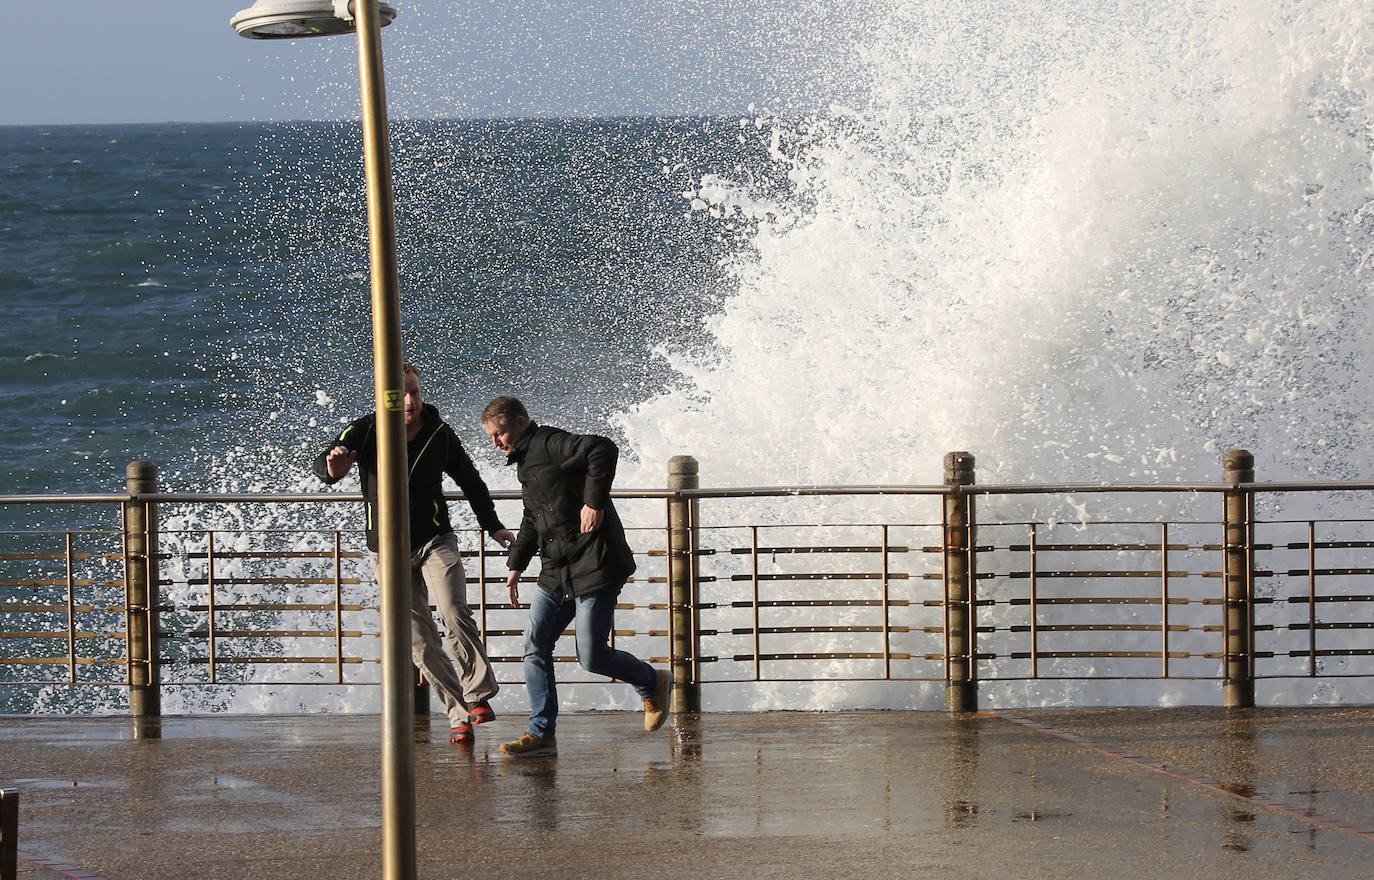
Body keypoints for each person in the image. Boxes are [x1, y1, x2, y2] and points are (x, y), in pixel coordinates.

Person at [313, 363, 514, 744]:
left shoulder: (439, 432)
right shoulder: (366, 429)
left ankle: (477, 695)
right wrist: (332, 469)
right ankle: (457, 713)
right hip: (387, 550)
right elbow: (327, 463)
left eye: (415, 392)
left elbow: (471, 481)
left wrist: (494, 526)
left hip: (436, 540)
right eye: (401, 394)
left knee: (454, 612)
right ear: (382, 397)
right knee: (420, 639)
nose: (410, 401)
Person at [480, 395, 670, 758]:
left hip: (595, 564)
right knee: (534, 644)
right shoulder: (524, 464)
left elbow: (603, 448)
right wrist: (516, 564)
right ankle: (541, 732)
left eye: (499, 433)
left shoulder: (550, 442)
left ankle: (651, 681)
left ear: (520, 423)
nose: (496, 442)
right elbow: (533, 516)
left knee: (592, 657)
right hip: (556, 569)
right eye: (491, 437)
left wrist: (594, 502)